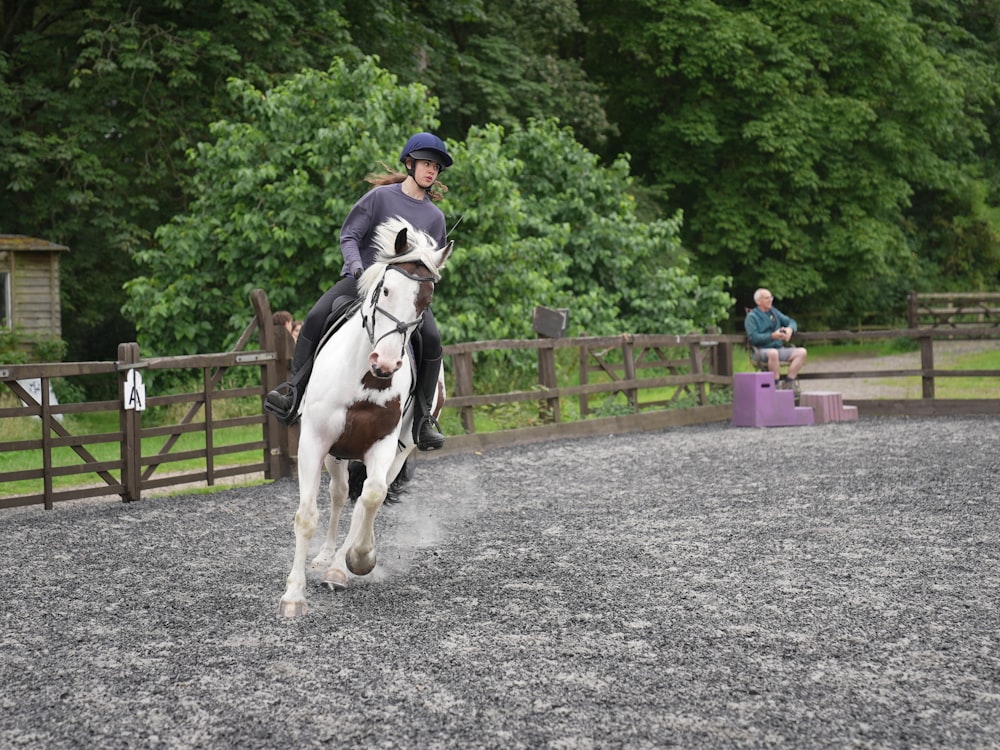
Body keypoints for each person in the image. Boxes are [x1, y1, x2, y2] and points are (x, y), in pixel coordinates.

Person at [265, 132, 453, 451]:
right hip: (364, 278)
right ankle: (293, 393)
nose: (431, 171)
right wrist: (357, 268)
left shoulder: (435, 218)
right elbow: (349, 235)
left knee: (432, 339)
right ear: (409, 163)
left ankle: (422, 419)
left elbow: (432, 264)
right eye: (426, 164)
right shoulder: (379, 198)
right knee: (315, 316)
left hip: (404, 296)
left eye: (436, 167)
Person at [744, 288, 807, 397]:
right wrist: (772, 336)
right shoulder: (752, 317)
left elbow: (791, 321)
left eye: (771, 297)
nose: (770, 300)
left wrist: (790, 330)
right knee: (773, 353)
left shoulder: (774, 312)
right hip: (761, 351)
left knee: (802, 352)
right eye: (767, 298)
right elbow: (753, 338)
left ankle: (789, 382)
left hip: (779, 348)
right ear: (759, 301)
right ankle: (775, 385)